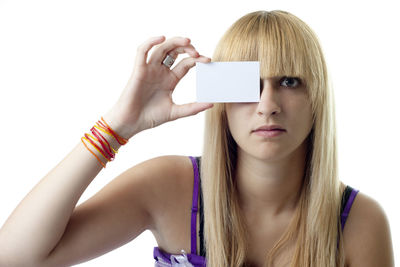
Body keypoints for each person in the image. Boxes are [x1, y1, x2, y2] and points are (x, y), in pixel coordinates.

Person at [0, 10, 394, 267]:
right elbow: (15, 258)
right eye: (246, 84)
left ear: (317, 98)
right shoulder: (167, 186)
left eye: (289, 82)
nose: (267, 105)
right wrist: (118, 126)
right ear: (219, 94)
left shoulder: (360, 222)